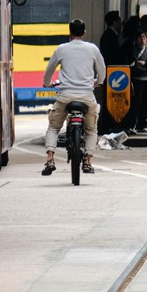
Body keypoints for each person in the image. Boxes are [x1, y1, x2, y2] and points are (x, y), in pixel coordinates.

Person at [41, 19, 105, 176]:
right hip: (86, 96)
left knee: (54, 127)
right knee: (91, 129)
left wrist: (47, 83)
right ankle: (88, 161)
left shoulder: (61, 49)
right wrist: (99, 81)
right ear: (84, 32)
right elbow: (102, 69)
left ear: (69, 33)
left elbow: (50, 69)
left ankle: (50, 158)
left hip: (65, 96)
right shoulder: (92, 49)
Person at [97, 10, 122, 134]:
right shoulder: (109, 36)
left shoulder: (108, 35)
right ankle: (107, 125)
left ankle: (107, 124)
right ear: (115, 22)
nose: (121, 24)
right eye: (119, 21)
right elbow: (110, 56)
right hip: (111, 71)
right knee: (109, 99)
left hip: (110, 72)